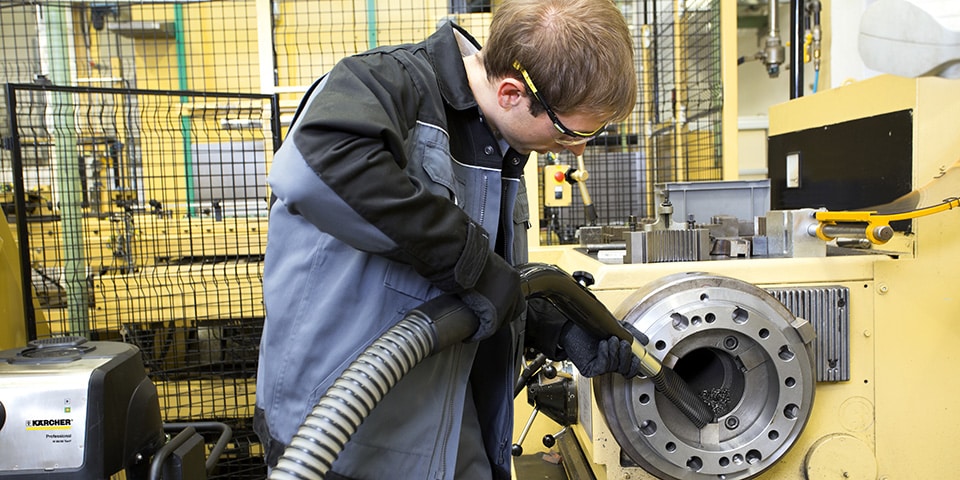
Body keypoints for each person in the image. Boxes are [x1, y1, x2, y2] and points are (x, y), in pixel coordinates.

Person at [255, 0, 639, 478]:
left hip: (453, 430)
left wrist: (556, 326)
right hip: (347, 440)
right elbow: (315, 170)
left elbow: (478, 281)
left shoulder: (502, 143)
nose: (578, 146)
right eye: (569, 130)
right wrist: (473, 264)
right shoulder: (387, 86)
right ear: (511, 92)